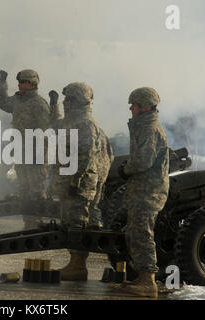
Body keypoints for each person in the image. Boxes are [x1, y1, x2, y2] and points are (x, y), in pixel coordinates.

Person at [49, 82, 114, 281]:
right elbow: (55, 125)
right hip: (73, 181)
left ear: (78, 100)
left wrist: (76, 182)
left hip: (79, 183)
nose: (65, 102)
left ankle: (78, 267)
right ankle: (75, 264)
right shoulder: (72, 120)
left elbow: (85, 156)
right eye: (64, 98)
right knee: (71, 221)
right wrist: (53, 105)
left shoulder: (85, 123)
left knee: (77, 222)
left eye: (69, 99)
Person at [118, 87, 169, 298]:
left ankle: (148, 282)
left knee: (142, 234)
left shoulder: (149, 129)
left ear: (145, 106)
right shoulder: (145, 127)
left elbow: (143, 161)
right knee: (137, 232)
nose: (131, 108)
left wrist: (125, 169)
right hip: (143, 190)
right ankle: (143, 277)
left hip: (148, 192)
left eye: (134, 105)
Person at [0, 69, 51, 228]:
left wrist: (39, 156)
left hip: (35, 156)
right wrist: (2, 84)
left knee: (36, 191)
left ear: (31, 84)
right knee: (24, 191)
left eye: (22, 82)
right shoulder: (19, 100)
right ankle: (29, 223)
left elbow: (46, 133)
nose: (19, 85)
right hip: (21, 154)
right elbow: (3, 103)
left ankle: (37, 223)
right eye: (18, 82)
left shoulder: (39, 104)